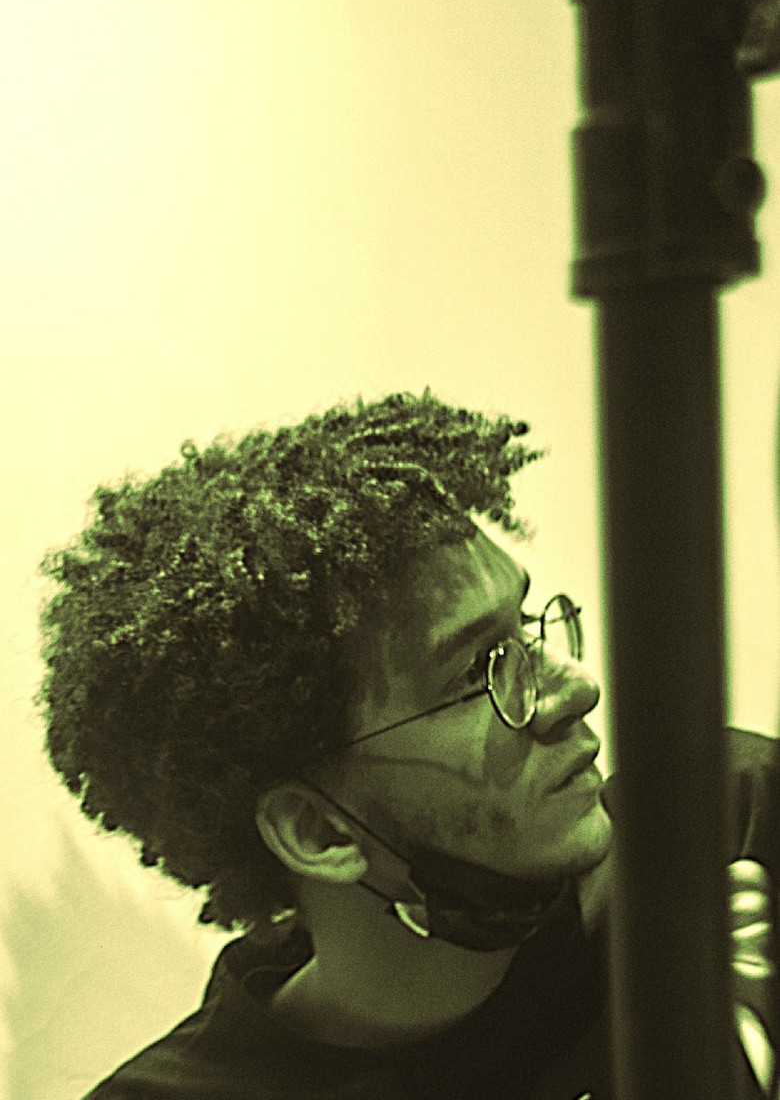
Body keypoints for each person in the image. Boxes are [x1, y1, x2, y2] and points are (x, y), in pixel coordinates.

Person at [38, 391, 778, 1099]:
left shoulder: (723, 828)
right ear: (319, 831)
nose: (574, 690)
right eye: (477, 671)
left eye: (526, 632)